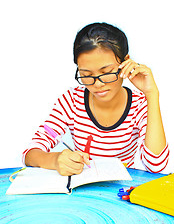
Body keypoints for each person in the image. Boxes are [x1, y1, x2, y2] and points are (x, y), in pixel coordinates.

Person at [23, 22, 169, 176]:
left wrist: (152, 94)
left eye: (106, 72)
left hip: (120, 193)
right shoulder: (71, 101)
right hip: (82, 191)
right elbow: (30, 154)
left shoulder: (139, 105)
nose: (98, 84)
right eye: (86, 75)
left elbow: (156, 166)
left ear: (126, 62)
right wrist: (55, 159)